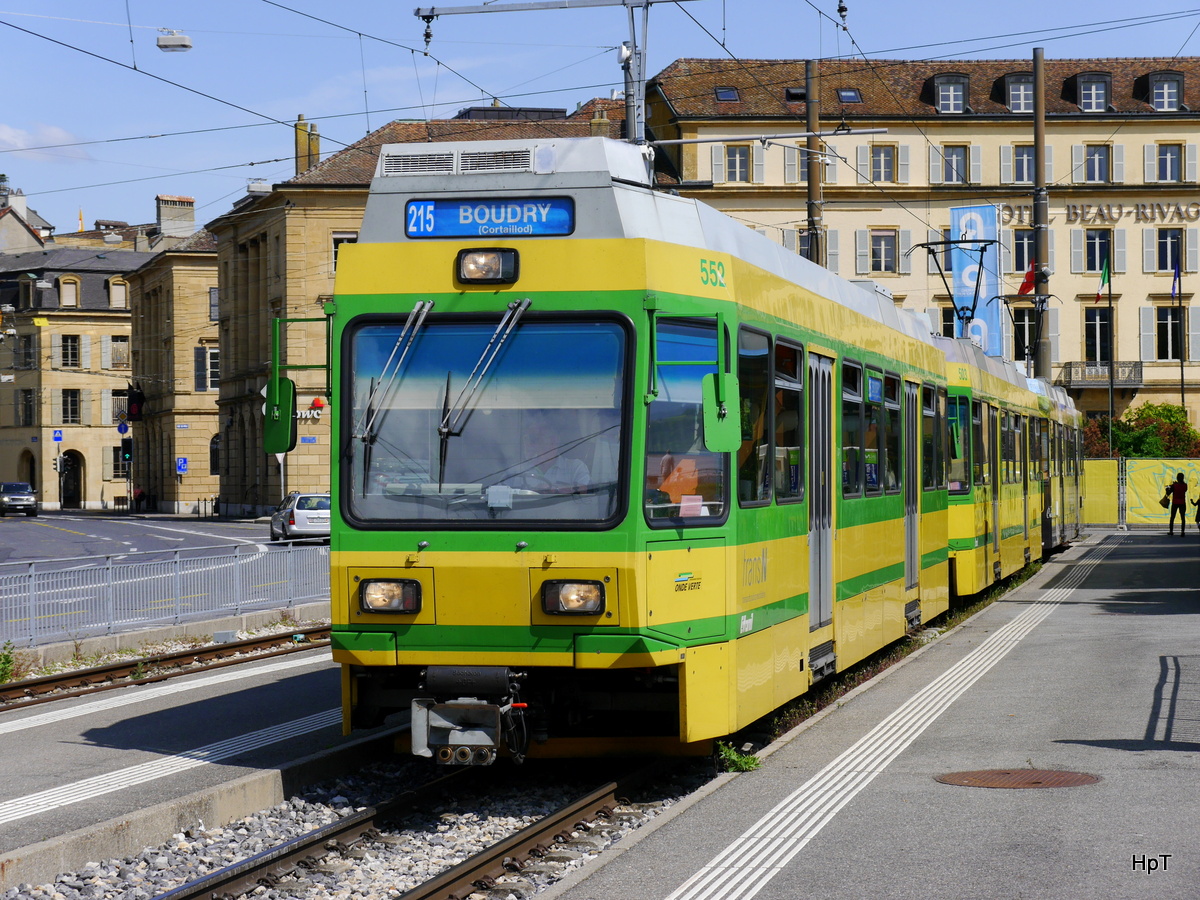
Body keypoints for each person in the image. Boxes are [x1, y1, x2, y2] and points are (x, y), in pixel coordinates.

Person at [511, 415, 589, 493]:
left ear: (555, 441)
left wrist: (553, 489)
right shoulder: (517, 471)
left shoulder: (575, 468)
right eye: (533, 439)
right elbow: (501, 494)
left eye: (540, 438)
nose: (533, 444)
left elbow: (588, 493)